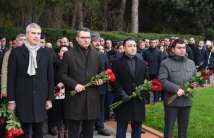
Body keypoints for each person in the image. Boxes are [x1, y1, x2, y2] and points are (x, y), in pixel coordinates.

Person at [7, 23, 54, 138]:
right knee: (23, 132)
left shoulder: (46, 53)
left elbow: (50, 77)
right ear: (27, 34)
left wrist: (49, 98)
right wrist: (11, 100)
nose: (36, 36)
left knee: (39, 132)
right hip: (22, 99)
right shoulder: (16, 52)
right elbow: (11, 78)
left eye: (38, 33)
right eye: (33, 33)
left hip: (40, 99)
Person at [59, 27, 104, 138]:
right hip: (75, 100)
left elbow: (102, 74)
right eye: (83, 37)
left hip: (92, 99)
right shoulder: (68, 54)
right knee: (74, 132)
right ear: (77, 39)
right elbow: (62, 75)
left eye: (88, 37)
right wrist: (75, 84)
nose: (86, 40)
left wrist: (101, 80)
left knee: (89, 132)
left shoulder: (98, 55)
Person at [158, 39, 196, 138]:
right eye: (179, 48)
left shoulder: (191, 63)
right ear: (173, 49)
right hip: (172, 102)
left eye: (184, 47)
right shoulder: (165, 63)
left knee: (184, 128)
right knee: (169, 128)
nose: (182, 50)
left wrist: (194, 84)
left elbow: (194, 79)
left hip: (186, 101)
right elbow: (162, 80)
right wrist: (176, 89)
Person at [111, 38, 148, 138]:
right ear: (124, 48)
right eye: (130, 46)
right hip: (123, 100)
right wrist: (122, 94)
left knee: (137, 129)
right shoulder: (116, 63)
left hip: (138, 101)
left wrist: (142, 92)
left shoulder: (142, 63)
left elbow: (146, 81)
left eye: (134, 46)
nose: (133, 48)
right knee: (121, 128)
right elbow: (113, 81)